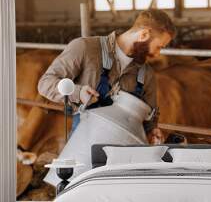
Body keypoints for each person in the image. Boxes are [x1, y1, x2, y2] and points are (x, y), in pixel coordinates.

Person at [37, 9, 176, 144]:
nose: (158, 54)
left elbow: (149, 119)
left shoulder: (147, 74)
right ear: (144, 34)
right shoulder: (85, 48)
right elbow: (46, 83)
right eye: (159, 47)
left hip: (124, 148)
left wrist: (152, 131)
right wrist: (78, 93)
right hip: (84, 145)